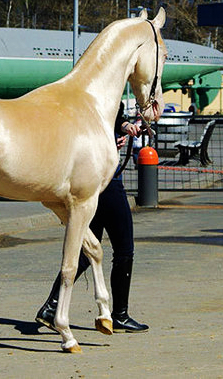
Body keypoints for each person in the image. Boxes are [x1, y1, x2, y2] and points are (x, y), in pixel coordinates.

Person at [35, 102, 148, 333]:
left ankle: (51, 305)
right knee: (124, 249)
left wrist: (122, 128)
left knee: (87, 249)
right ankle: (120, 315)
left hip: (93, 185)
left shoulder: (86, 101)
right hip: (107, 183)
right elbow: (111, 118)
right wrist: (121, 129)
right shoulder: (103, 99)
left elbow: (112, 120)